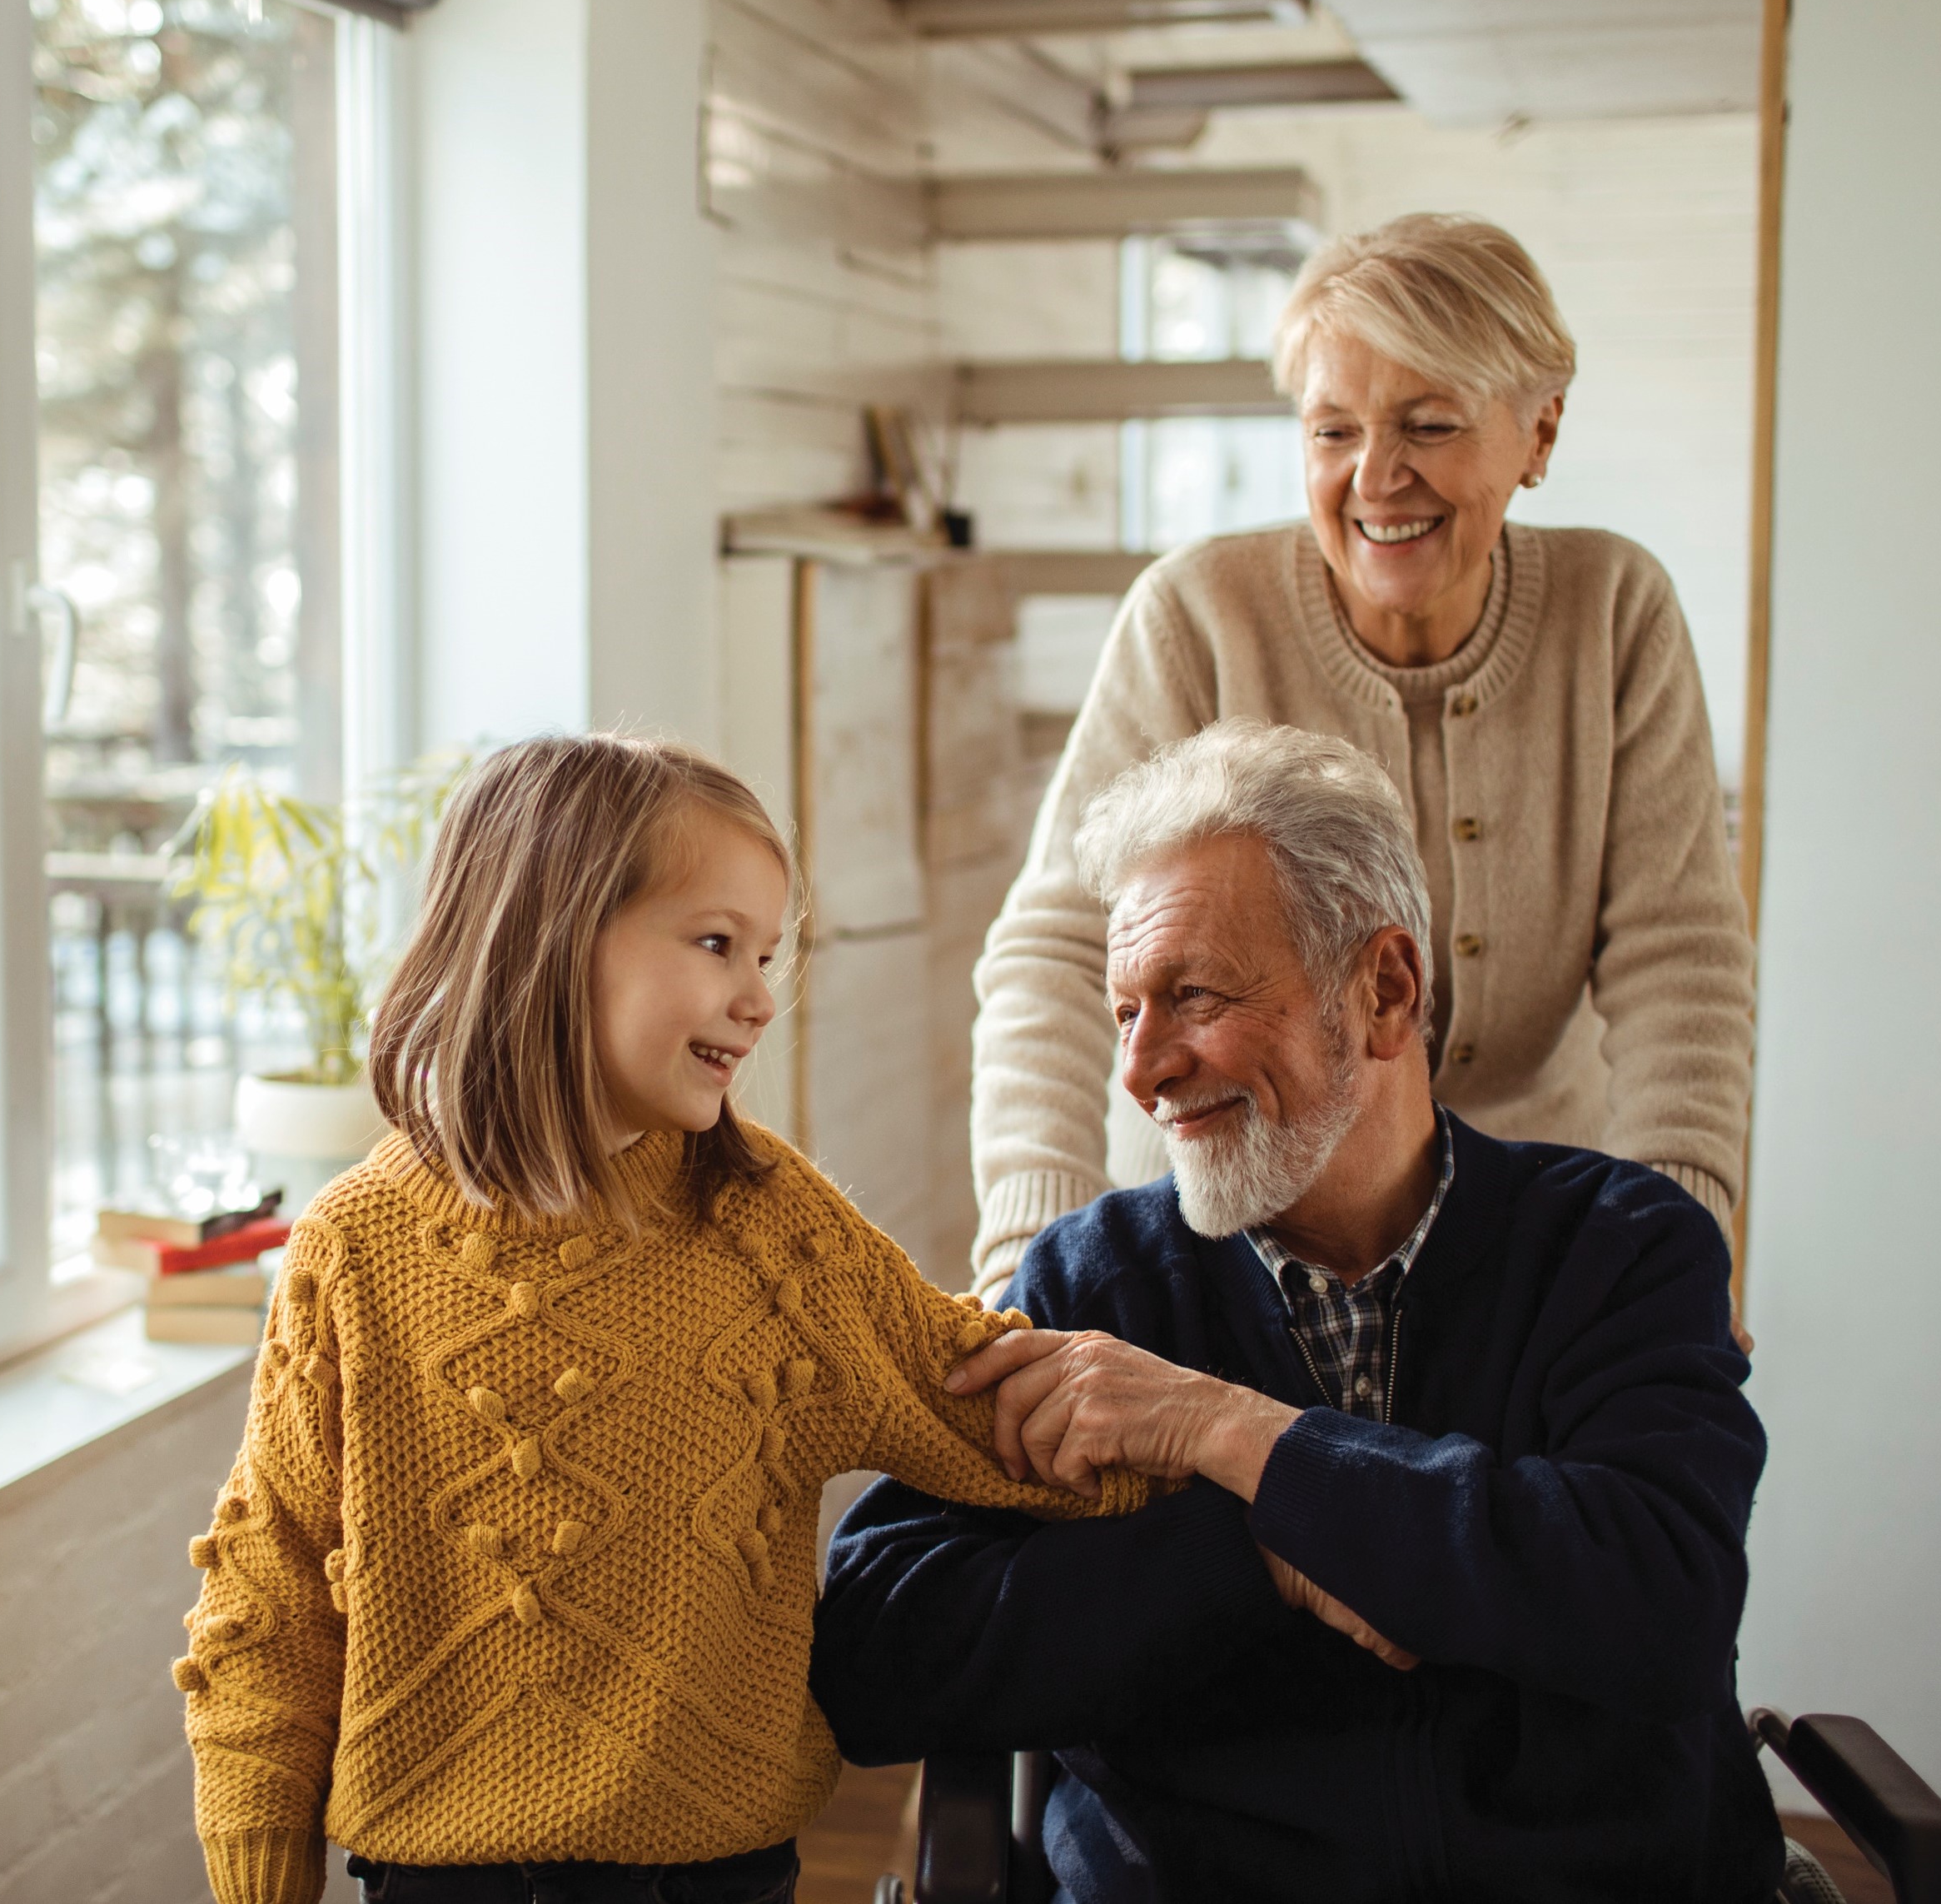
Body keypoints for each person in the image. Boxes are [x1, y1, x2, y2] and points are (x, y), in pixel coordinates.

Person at [814, 720, 1781, 1903]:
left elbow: (1661, 1605)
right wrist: (1256, 1552)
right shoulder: (1094, 1284)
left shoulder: (1620, 1246)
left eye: (1194, 995)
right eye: (1126, 1012)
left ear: (1384, 989)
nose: (1141, 1068)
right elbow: (876, 1655)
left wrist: (1232, 1437)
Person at [172, 734, 1143, 1904]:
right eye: (717, 943)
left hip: (716, 1874)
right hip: (431, 1876)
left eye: (770, 955)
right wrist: (257, 1873)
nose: (758, 999)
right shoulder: (353, 1250)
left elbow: (989, 1409)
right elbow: (266, 1595)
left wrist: (1253, 1463)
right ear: (553, 935)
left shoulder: (770, 1231)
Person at [969, 213, 1754, 1298]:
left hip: (1517, 1234)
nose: (1376, 478)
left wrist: (1676, 1250)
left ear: (1541, 435)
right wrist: (1033, 1259)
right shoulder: (1199, 615)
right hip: (1218, 1231)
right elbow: (1056, 945)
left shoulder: (1616, 612)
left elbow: (1682, 962)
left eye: (1428, 425)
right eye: (1333, 432)